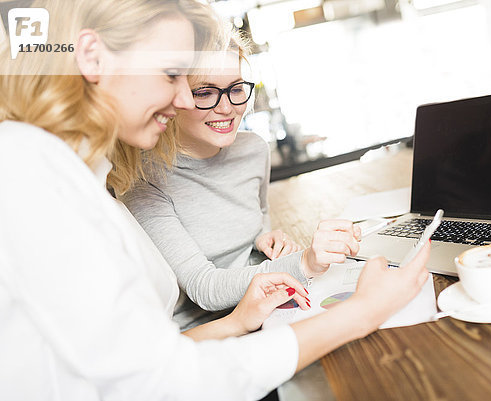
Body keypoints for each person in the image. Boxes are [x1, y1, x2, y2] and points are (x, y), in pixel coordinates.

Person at [0, 1, 431, 400]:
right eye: (172, 74)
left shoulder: (76, 175)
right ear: (92, 58)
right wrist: (360, 314)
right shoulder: (27, 169)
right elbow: (165, 381)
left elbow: (144, 357)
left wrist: (239, 319)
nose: (186, 97)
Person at [119, 30, 353, 329]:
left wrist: (262, 240)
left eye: (236, 88)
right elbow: (205, 288)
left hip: (271, 305)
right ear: (174, 97)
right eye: (204, 92)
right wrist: (304, 262)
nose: (227, 107)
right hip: (210, 330)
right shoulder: (144, 179)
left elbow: (259, 217)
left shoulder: (253, 149)